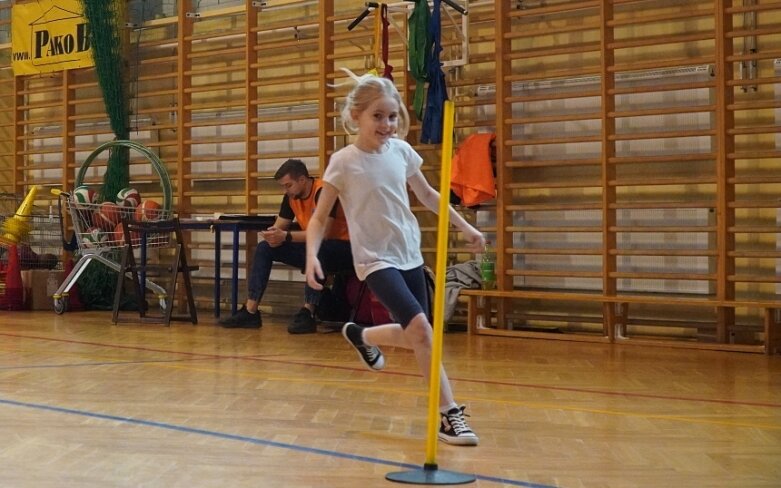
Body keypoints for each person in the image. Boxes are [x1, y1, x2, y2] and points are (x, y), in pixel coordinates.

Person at [304, 70, 485, 446]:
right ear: (356, 116)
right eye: (377, 116)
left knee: (418, 335)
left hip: (409, 253)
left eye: (392, 116)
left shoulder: (402, 152)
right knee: (422, 331)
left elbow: (429, 195)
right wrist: (311, 255)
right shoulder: (344, 161)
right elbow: (320, 217)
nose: (387, 125)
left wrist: (465, 226)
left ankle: (361, 334)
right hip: (375, 260)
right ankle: (449, 415)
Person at [219, 159, 353, 333]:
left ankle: (309, 311)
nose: (286, 190)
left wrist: (286, 236)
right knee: (265, 248)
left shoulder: (323, 192)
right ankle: (250, 310)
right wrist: (272, 235)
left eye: (288, 185)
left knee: (317, 247)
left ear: (302, 180)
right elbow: (280, 226)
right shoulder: (292, 197)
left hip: (345, 248)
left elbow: (323, 234)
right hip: (316, 247)